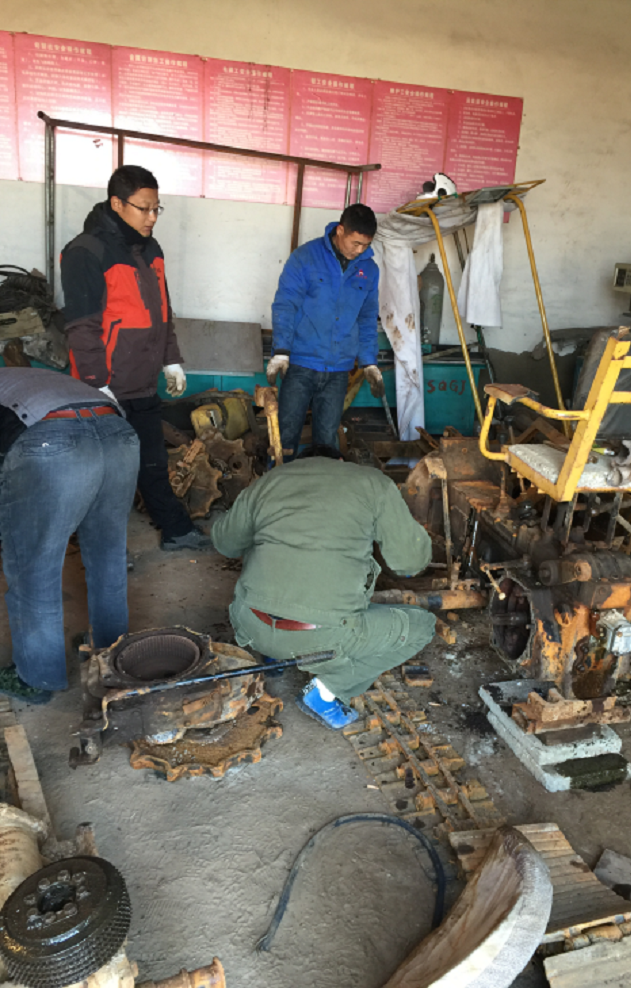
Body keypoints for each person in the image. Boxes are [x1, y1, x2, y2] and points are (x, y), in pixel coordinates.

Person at [211, 445, 437, 730]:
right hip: (325, 637)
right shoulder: (373, 484)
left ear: (299, 464)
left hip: (251, 627)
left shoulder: (269, 481)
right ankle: (327, 691)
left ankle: (275, 656)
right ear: (341, 462)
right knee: (423, 626)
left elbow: (225, 543)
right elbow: (410, 563)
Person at [60, 164, 211, 551]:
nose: (152, 217)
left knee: (153, 462)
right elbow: (81, 326)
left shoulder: (151, 249)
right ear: (117, 204)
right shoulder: (85, 251)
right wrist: (96, 384)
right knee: (104, 472)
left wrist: (171, 358)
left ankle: (175, 530)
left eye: (157, 208)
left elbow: (162, 311)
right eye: (144, 208)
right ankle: (102, 549)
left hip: (142, 380)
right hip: (105, 386)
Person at [0, 367, 140, 702]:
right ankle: (111, 656)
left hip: (53, 442)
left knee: (35, 567)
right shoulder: (25, 376)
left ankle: (38, 678)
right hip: (119, 435)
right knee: (109, 555)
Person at [268, 203, 385, 459]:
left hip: (338, 370)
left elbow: (367, 317)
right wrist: (281, 351)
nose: (360, 250)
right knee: (285, 440)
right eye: (356, 243)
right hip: (300, 364)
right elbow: (285, 304)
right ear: (340, 230)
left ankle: (323, 484)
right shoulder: (305, 257)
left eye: (366, 245)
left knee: (327, 445)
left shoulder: (369, 270)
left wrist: (369, 362)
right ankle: (277, 483)